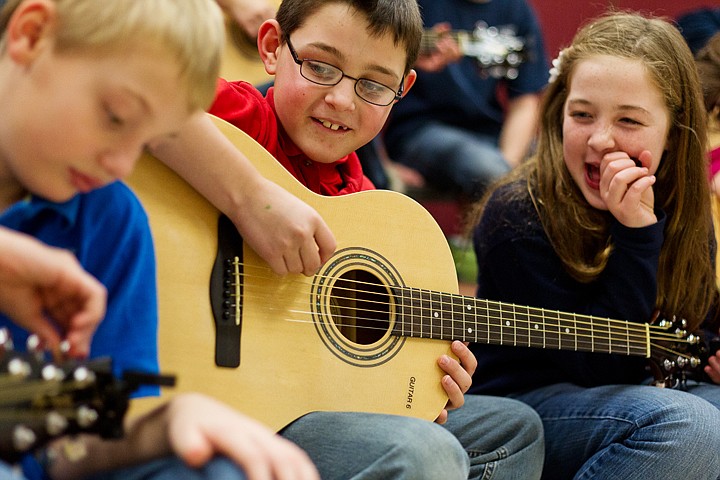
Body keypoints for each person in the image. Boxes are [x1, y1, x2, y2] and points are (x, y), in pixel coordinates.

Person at [152, 1, 545, 478]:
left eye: (374, 85)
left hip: (292, 400)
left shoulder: (362, 203)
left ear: (403, 90)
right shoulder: (244, 118)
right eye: (320, 66)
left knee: (513, 428)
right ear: (273, 48)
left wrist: (416, 385)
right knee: (427, 452)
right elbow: (137, 86)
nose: (342, 99)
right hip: (207, 397)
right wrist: (250, 200)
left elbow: (334, 359)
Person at [0, 0, 320, 478]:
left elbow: (53, 438)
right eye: (115, 116)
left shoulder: (110, 217)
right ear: (31, 34)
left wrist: (161, 424)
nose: (121, 165)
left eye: (148, 139)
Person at [467, 11, 720, 479]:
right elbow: (596, 363)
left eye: (629, 120)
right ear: (559, 111)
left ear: (673, 132)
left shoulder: (685, 206)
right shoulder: (517, 212)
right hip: (533, 403)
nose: (600, 139)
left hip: (642, 387)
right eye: (581, 115)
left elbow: (695, 325)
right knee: (695, 428)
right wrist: (637, 235)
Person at [382, 0, 549, 201]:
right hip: (420, 131)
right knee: (487, 167)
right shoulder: (414, 4)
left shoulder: (517, 10)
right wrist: (382, 166)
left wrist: (506, 168)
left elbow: (525, 103)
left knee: (553, 162)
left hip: (489, 134)